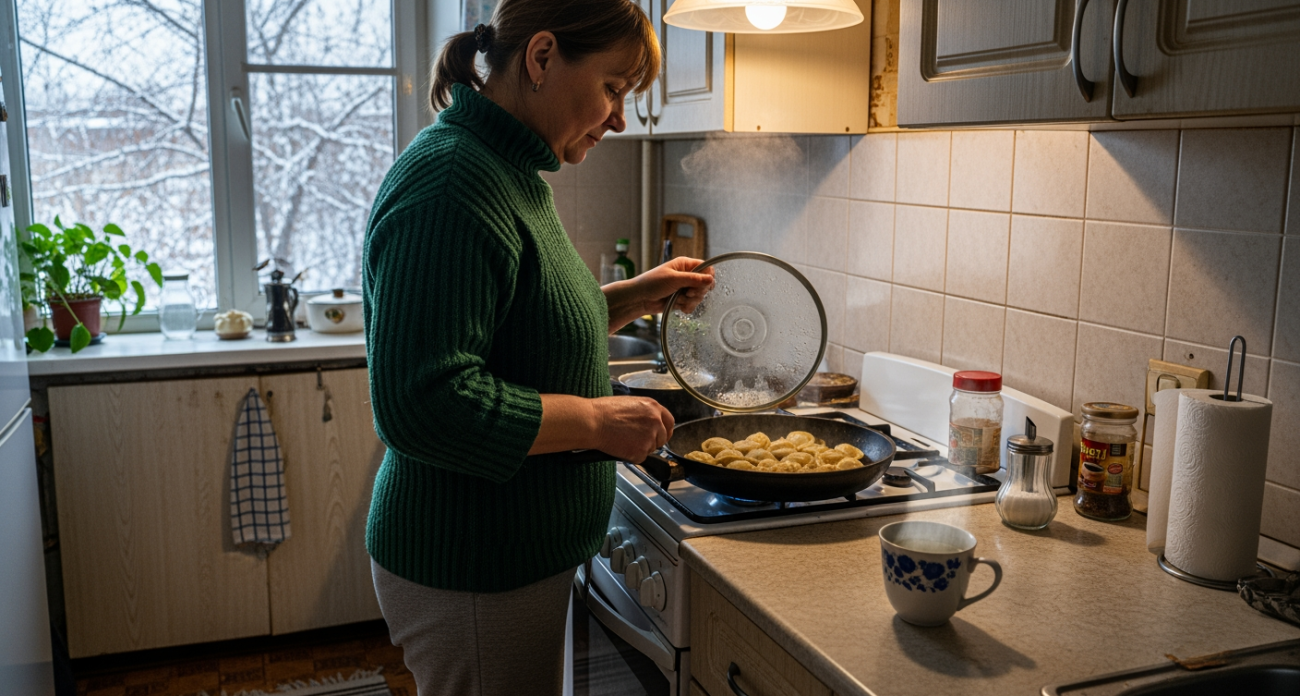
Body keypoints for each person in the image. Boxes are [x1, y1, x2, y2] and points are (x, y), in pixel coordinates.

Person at [361, 0, 713, 693]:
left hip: (509, 555)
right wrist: (596, 421)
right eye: (612, 88)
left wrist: (636, 294)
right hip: (473, 567)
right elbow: (422, 404)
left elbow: (525, 321)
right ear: (543, 56)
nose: (618, 118)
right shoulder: (452, 182)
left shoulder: (511, 170)